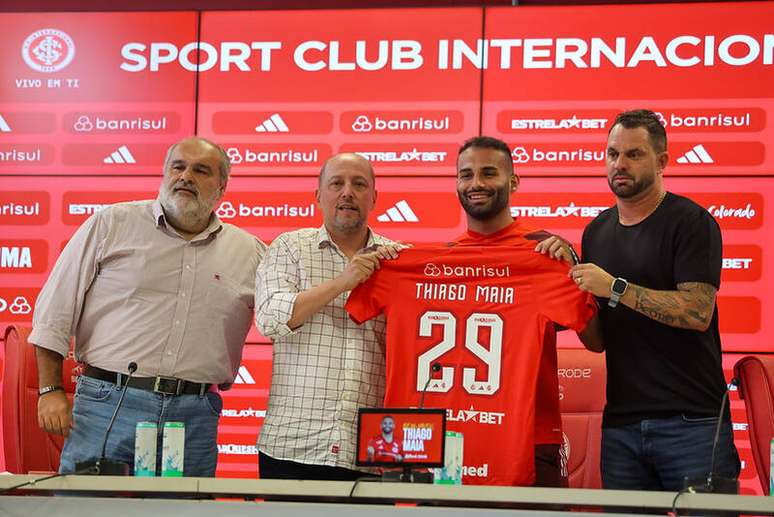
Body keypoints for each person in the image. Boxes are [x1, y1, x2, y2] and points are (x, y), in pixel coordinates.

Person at [31, 136, 266, 476]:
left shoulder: (251, 252)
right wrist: (50, 389)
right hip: (107, 404)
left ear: (222, 188)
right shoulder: (111, 225)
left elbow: (285, 317)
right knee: (86, 509)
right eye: (178, 166)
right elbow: (54, 310)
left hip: (195, 414)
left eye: (201, 170)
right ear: (164, 174)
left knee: (184, 513)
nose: (186, 176)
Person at [571, 109, 740, 491]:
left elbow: (697, 312)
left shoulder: (691, 222)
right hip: (621, 427)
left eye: (634, 154)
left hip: (692, 421)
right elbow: (598, 341)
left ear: (662, 161)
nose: (620, 164)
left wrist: (615, 287)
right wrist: (568, 300)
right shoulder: (596, 232)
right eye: (613, 154)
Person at [451, 136, 602, 487]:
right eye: (466, 175)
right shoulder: (441, 259)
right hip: (458, 435)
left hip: (532, 434)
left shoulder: (545, 251)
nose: (476, 184)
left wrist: (573, 274)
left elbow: (595, 340)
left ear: (514, 181)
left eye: (489, 173)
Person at [255, 152, 400, 480]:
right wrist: (343, 283)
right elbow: (270, 319)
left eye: (359, 184)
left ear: (374, 198)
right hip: (293, 445)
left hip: (374, 449)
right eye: (337, 183)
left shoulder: (396, 259)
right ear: (319, 196)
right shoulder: (289, 247)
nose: (347, 192)